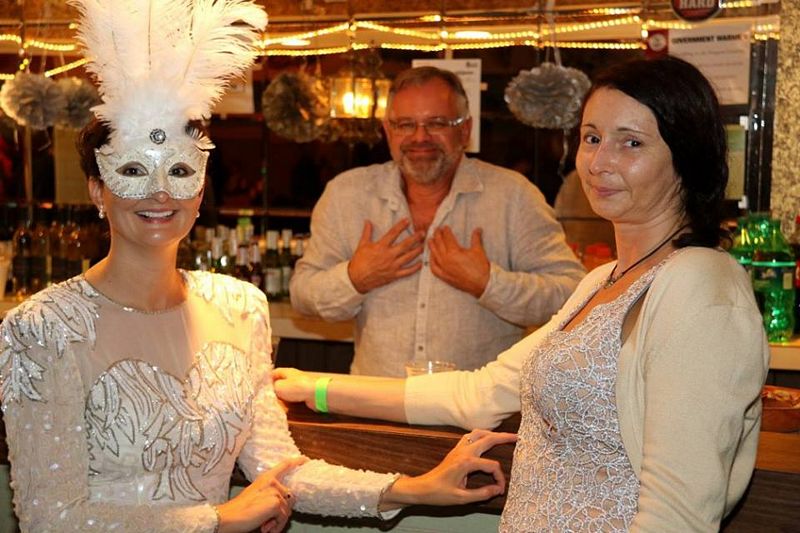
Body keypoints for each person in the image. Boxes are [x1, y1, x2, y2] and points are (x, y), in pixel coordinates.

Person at [0, 2, 516, 532]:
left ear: (201, 190)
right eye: (132, 171)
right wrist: (218, 520)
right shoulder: (43, 328)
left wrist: (414, 487)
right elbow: (49, 519)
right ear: (96, 190)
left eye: (179, 171)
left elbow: (281, 468)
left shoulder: (239, 307)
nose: (160, 193)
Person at [274, 56, 769, 531]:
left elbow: (678, 517)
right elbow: (478, 394)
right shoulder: (602, 282)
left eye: (631, 143)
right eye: (592, 138)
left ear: (686, 155)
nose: (599, 162)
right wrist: (315, 387)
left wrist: (488, 282)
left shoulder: (701, 283)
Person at [290, 66, 584, 376]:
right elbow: (302, 294)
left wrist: (489, 283)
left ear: (465, 130)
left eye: (437, 123)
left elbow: (572, 295)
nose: (420, 137)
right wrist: (355, 278)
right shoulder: (346, 194)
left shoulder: (513, 196)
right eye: (406, 124)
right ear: (388, 131)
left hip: (478, 403)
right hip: (375, 398)